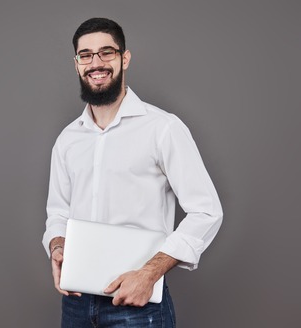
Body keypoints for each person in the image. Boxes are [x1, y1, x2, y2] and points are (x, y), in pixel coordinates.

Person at [42, 17, 223, 328]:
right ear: (76, 64)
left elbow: (206, 212)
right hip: (75, 305)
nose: (95, 63)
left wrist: (149, 274)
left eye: (106, 52)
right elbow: (58, 212)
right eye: (86, 55)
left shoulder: (162, 128)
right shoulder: (68, 139)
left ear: (124, 58)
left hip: (138, 306)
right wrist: (57, 247)